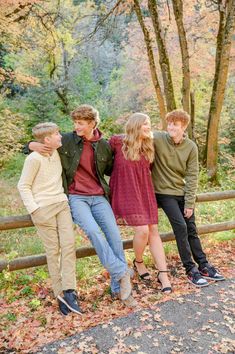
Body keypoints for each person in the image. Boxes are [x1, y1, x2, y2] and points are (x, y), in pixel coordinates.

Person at [27, 105, 137, 308]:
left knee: (114, 236)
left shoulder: (103, 145)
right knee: (94, 233)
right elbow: (42, 143)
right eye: (75, 123)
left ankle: (118, 288)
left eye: (80, 123)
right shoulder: (67, 140)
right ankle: (121, 272)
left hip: (98, 197)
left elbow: (113, 169)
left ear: (92, 124)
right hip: (76, 197)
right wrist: (32, 144)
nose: (76, 126)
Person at [152, 109, 225, 287]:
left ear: (183, 126)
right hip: (163, 193)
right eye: (169, 123)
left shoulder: (191, 146)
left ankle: (204, 265)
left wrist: (190, 202)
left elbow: (193, 176)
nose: (171, 127)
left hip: (182, 192)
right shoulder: (158, 138)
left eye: (175, 124)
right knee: (181, 227)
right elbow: (139, 132)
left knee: (191, 228)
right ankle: (190, 269)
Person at [18, 122, 82, 316]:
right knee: (53, 251)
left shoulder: (56, 152)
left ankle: (70, 290)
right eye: (56, 134)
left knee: (69, 246)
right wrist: (34, 209)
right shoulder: (34, 159)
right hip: (43, 208)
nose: (60, 136)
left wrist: (32, 143)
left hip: (61, 204)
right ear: (47, 139)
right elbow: (23, 186)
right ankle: (60, 293)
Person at [109, 113, 172, 293]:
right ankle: (138, 261)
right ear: (136, 125)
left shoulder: (149, 146)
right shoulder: (116, 142)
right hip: (126, 192)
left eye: (149, 124)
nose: (148, 127)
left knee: (153, 230)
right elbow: (101, 160)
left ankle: (163, 274)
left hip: (144, 191)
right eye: (145, 124)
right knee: (142, 230)